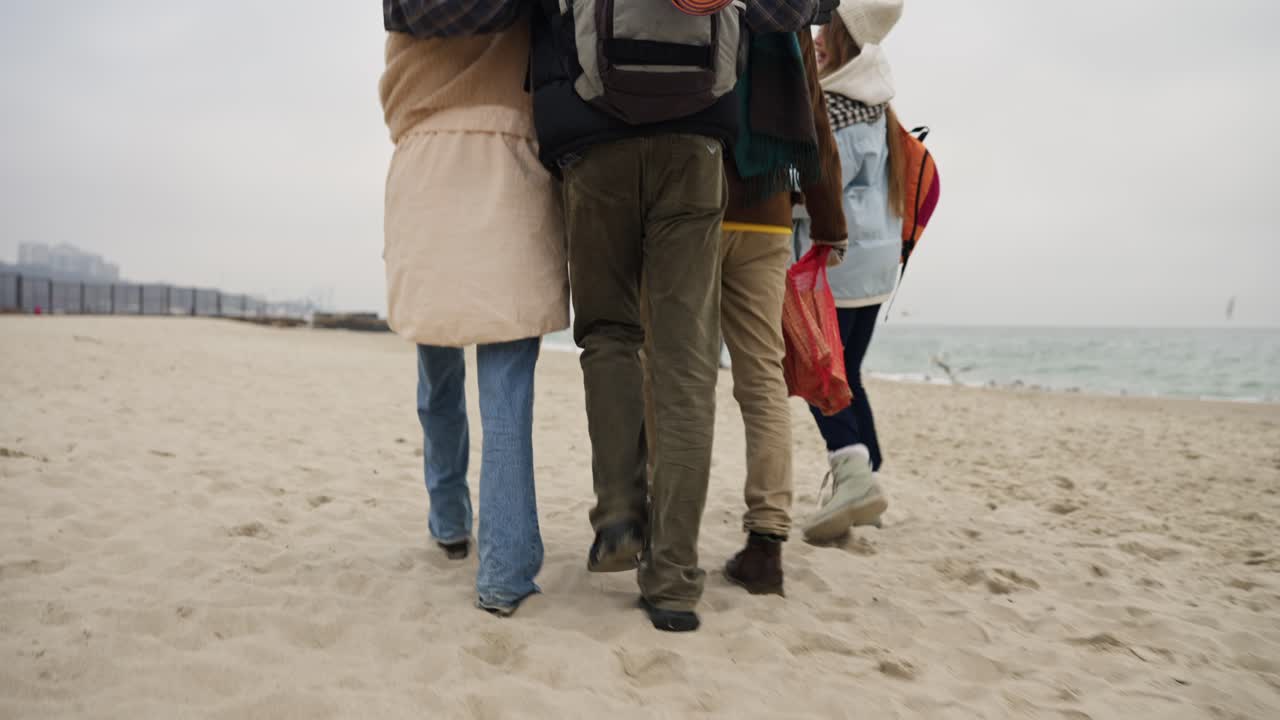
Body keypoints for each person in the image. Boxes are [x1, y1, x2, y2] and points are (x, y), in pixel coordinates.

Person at [528, 0, 818, 632]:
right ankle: (674, 581)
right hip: (695, 143)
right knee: (684, 363)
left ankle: (619, 518)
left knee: (608, 334)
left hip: (593, 140)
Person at [380, 2, 570, 616]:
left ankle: (448, 517)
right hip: (511, 160)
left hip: (426, 161)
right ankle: (505, 570)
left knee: (437, 360)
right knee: (507, 381)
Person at [718, 30, 848, 597]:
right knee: (763, 378)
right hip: (768, 210)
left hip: (695, 201)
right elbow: (814, 118)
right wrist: (829, 223)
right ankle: (766, 544)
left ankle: (663, 526)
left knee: (677, 370)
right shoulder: (789, 14)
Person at [796, 0, 906, 543]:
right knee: (849, 372)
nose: (816, 38)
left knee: (822, 374)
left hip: (843, 263)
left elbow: (824, 187)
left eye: (825, 31)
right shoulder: (877, 96)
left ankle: (854, 475)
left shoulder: (838, 102)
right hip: (879, 262)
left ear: (842, 39)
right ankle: (870, 477)